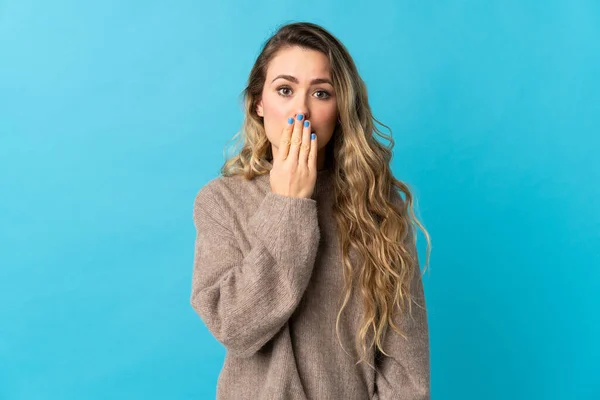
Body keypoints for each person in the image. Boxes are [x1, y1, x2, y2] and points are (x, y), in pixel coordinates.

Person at [190, 21, 432, 400]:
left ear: (340, 108)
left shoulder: (378, 206)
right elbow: (236, 327)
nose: (300, 110)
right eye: (284, 90)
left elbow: (405, 366)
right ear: (258, 103)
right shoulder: (221, 202)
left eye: (321, 93)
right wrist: (290, 205)